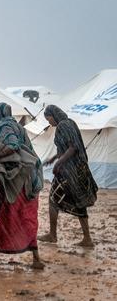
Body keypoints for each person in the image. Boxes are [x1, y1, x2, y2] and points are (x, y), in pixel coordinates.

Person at [0, 103, 45, 269]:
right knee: (27, 217)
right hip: (30, 179)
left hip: (16, 181)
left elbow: (12, 146)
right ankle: (36, 259)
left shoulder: (5, 125)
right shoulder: (18, 126)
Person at [38, 105, 98, 247]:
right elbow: (65, 149)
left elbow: (72, 148)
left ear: (54, 115)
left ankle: (52, 235)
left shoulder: (62, 126)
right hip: (77, 170)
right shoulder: (70, 123)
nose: (49, 122)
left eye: (49, 119)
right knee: (79, 202)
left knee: (53, 199)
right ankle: (87, 238)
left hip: (68, 172)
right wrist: (53, 159)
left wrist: (58, 163)